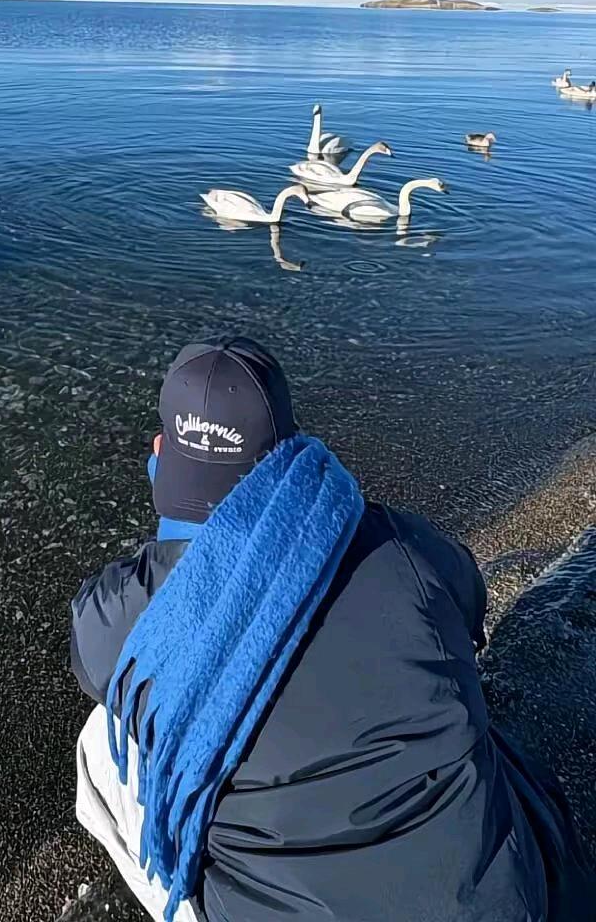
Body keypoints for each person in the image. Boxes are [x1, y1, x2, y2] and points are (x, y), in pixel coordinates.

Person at [70, 335, 594, 922]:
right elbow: (471, 610)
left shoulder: (125, 611)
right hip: (513, 902)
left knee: (104, 736)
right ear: (289, 452)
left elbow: (93, 657)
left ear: (161, 451)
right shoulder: (403, 549)